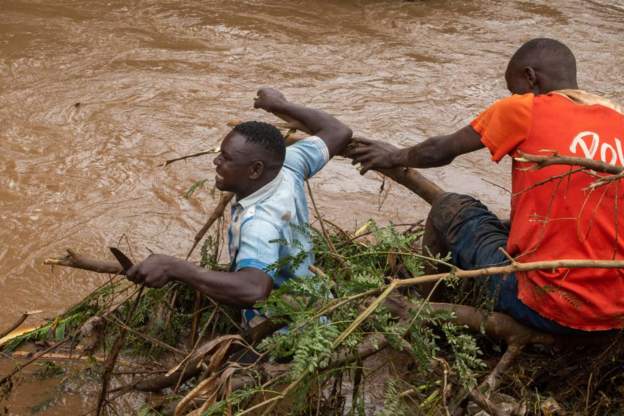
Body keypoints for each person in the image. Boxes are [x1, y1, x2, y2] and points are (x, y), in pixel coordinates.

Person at [348, 38, 624, 335]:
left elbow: (440, 151)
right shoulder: (618, 119)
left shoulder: (526, 108)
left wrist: (392, 155)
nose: (512, 96)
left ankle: (418, 311)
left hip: (547, 305)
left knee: (450, 207)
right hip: (615, 313)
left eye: (512, 88)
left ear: (530, 78)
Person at [127, 87, 352, 326]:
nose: (216, 161)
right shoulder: (289, 165)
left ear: (255, 170)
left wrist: (174, 267)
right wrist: (279, 105)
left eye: (226, 158)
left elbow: (253, 290)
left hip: (282, 331)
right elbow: (338, 131)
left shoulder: (260, 223)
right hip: (312, 301)